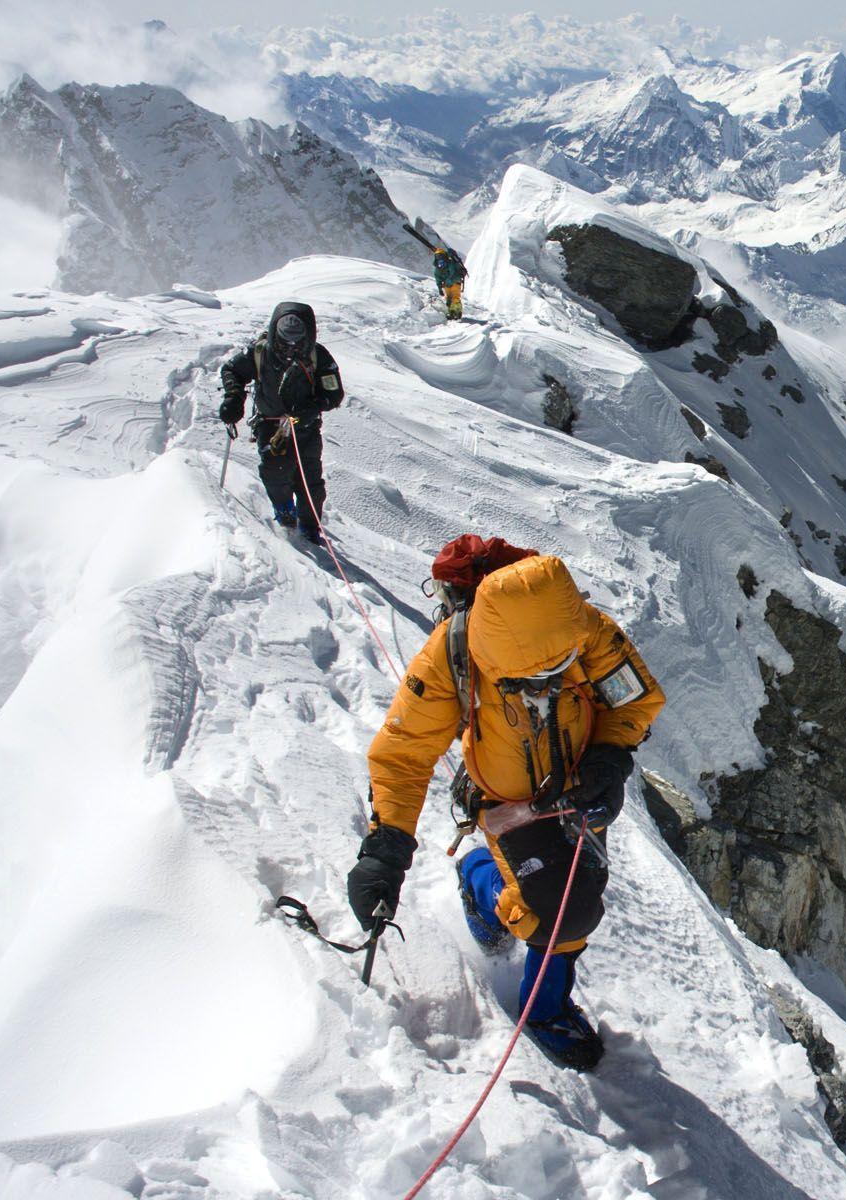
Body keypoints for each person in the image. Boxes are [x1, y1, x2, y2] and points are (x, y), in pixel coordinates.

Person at [347, 535, 666, 1070]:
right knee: (561, 914)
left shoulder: (585, 631)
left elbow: (634, 700)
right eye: (526, 678)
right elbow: (403, 754)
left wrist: (610, 757)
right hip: (507, 801)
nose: (545, 683)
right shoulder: (453, 653)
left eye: (557, 668)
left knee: (580, 891)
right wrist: (385, 848)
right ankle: (539, 1002)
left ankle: (483, 884)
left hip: (580, 787)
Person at [218, 301, 343, 542]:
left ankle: (310, 527)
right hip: (270, 424)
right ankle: (284, 509)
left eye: (298, 339)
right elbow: (232, 370)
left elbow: (334, 393)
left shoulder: (319, 357)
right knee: (275, 472)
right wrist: (234, 397)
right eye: (286, 339)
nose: (292, 346)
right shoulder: (260, 352)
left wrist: (313, 407)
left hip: (305, 426)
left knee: (310, 482)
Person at [432, 247, 468, 320]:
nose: (439, 258)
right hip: (448, 284)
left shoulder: (449, 264)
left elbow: (452, 274)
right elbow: (438, 278)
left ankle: (456, 311)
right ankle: (453, 311)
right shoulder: (440, 267)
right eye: (438, 256)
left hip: (455, 282)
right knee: (449, 298)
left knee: (454, 297)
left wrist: (442, 286)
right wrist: (440, 288)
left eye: (440, 256)